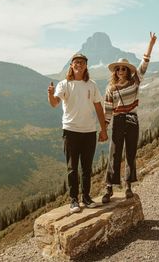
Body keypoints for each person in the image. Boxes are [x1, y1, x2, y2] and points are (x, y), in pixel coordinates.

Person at [48, 53, 108, 213]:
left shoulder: (92, 85)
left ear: (86, 65)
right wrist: (50, 93)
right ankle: (74, 200)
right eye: (76, 62)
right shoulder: (64, 84)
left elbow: (98, 108)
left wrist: (104, 129)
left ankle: (86, 197)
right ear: (71, 65)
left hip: (89, 131)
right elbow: (54, 103)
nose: (79, 64)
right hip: (71, 131)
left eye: (82, 62)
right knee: (72, 167)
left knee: (87, 168)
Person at [102, 32, 157, 203]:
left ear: (128, 70)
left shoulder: (135, 81)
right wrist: (104, 128)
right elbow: (108, 109)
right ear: (115, 71)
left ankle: (128, 186)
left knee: (131, 153)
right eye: (117, 69)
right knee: (114, 154)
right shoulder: (110, 88)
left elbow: (144, 63)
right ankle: (109, 187)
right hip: (118, 120)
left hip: (132, 119)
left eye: (123, 68)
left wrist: (151, 44)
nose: (120, 71)